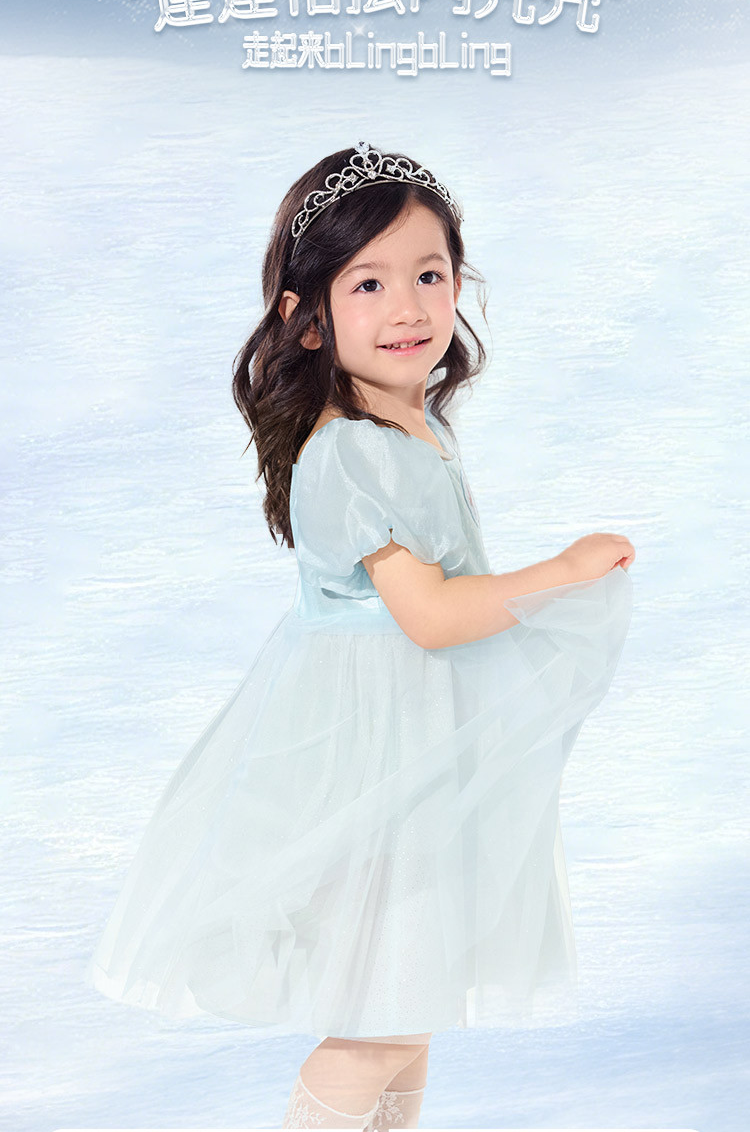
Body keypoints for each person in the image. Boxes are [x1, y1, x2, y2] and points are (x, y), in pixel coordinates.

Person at [84, 141, 635, 1129]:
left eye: (429, 275)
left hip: (416, 747)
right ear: (307, 319)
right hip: (370, 759)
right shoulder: (350, 449)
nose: (408, 307)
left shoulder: (413, 429)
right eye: (368, 284)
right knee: (383, 1018)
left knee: (408, 1006)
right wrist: (561, 573)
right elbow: (430, 616)